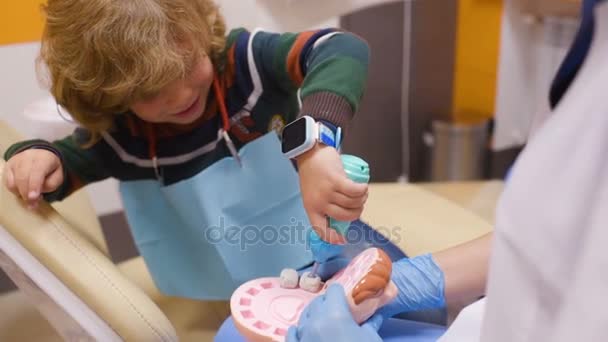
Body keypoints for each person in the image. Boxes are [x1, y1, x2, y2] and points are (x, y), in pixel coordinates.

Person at [2, 0, 370, 304]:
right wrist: (35, 158)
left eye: (188, 64)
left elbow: (339, 48)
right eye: (149, 91)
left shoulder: (248, 64)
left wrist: (316, 144)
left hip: (318, 244)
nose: (180, 96)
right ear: (110, 97)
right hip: (223, 296)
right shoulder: (122, 137)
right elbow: (62, 166)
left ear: (198, 30)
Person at [288, 0, 608, 340]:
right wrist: (410, 279)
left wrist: (316, 143)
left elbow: (338, 47)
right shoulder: (590, 56)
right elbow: (546, 235)